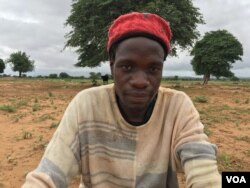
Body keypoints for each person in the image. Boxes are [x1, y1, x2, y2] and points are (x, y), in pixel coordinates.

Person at [22, 12, 221, 188]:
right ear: (112, 65)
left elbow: (202, 163)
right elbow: (48, 175)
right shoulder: (87, 105)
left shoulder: (177, 106)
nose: (140, 82)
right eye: (127, 67)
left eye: (153, 69)